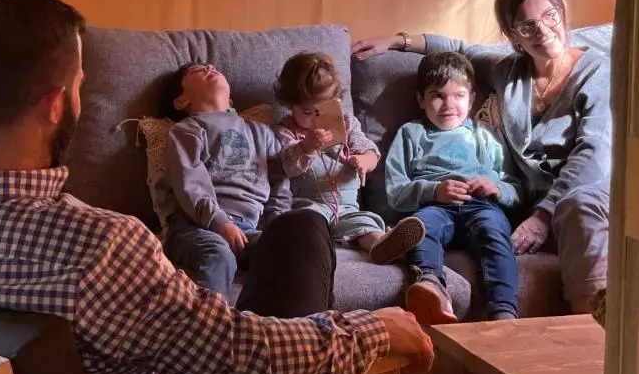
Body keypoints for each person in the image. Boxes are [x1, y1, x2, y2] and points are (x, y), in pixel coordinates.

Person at [0, 0, 434, 374]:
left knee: (298, 228)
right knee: (306, 239)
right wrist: (377, 329)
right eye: (80, 87)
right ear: (56, 105)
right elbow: (246, 358)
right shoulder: (99, 248)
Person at [353, 0, 611, 314]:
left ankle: (588, 330)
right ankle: (428, 279)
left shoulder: (596, 72)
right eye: (527, 25)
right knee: (447, 226)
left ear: (562, 13)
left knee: (577, 207)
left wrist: (543, 216)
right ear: (513, 35)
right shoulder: (507, 71)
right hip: (520, 203)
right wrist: (397, 40)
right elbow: (459, 49)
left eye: (551, 15)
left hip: (581, 192)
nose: (543, 30)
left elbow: (594, 153)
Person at [386, 51, 524, 324]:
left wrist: (497, 188)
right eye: (437, 95)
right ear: (420, 100)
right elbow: (395, 191)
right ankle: (430, 286)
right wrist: (433, 191)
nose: (448, 105)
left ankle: (504, 311)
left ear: (471, 99)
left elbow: (516, 188)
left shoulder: (484, 135)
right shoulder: (411, 132)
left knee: (494, 232)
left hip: (482, 206)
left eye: (458, 95)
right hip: (435, 206)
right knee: (421, 227)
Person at [158, 61, 313, 297]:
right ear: (181, 101)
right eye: (197, 70)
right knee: (219, 254)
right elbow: (189, 184)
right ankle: (206, 319)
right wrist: (220, 222)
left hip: (248, 230)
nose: (209, 67)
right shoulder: (187, 130)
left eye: (211, 66)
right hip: (194, 227)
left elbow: (279, 182)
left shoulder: (261, 132)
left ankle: (274, 318)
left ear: (230, 101)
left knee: (289, 253)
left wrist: (277, 226)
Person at [272, 51, 425, 264]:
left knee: (365, 224)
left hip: (346, 209)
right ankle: (316, 249)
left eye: (324, 110)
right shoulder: (285, 132)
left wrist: (364, 161)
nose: (316, 118)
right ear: (290, 105)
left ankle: (384, 245)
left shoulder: (347, 124)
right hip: (308, 207)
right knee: (305, 227)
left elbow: (371, 151)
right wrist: (306, 147)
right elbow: (287, 166)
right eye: (307, 112)